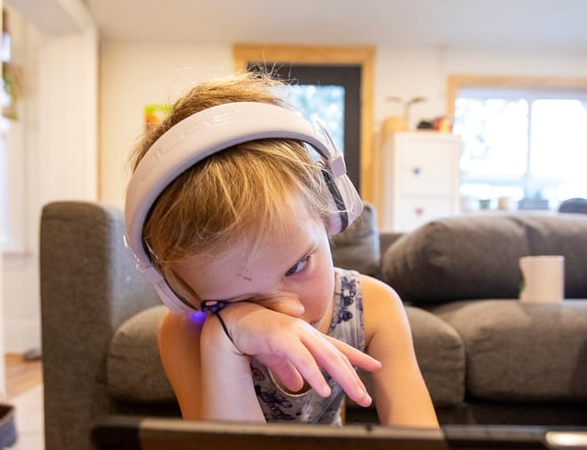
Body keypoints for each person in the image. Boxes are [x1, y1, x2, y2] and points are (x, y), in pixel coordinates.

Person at [124, 73, 438, 428]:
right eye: (240, 299)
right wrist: (222, 341)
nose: (290, 309)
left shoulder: (374, 307)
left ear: (332, 212)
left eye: (297, 266)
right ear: (182, 296)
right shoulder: (185, 334)